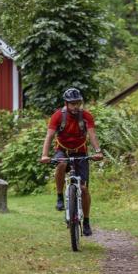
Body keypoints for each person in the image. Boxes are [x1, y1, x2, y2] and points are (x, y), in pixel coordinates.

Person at [40, 88, 103, 236]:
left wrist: (98, 151)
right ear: (66, 103)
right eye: (72, 104)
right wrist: (44, 155)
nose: (75, 106)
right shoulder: (57, 116)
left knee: (84, 189)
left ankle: (86, 222)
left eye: (78, 103)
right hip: (62, 149)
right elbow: (49, 136)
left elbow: (92, 135)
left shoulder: (86, 116)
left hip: (81, 151)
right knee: (61, 163)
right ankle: (60, 196)